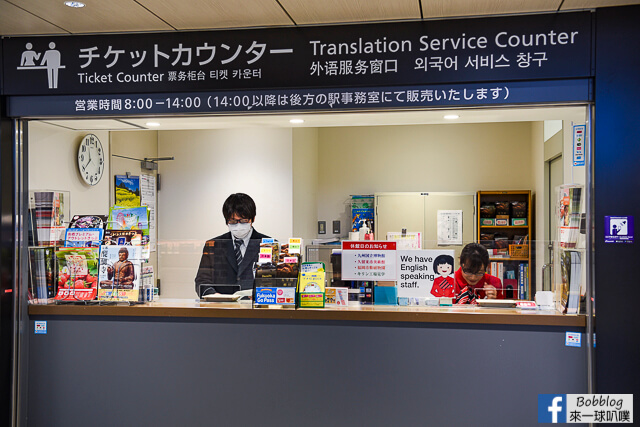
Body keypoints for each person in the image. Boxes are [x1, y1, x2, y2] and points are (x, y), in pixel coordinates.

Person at [195, 193, 270, 296]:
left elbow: (275, 280)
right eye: (233, 221)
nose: (238, 225)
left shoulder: (269, 244)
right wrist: (213, 295)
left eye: (243, 220)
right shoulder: (213, 245)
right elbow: (202, 281)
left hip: (256, 308)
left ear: (253, 218)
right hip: (221, 308)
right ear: (226, 221)